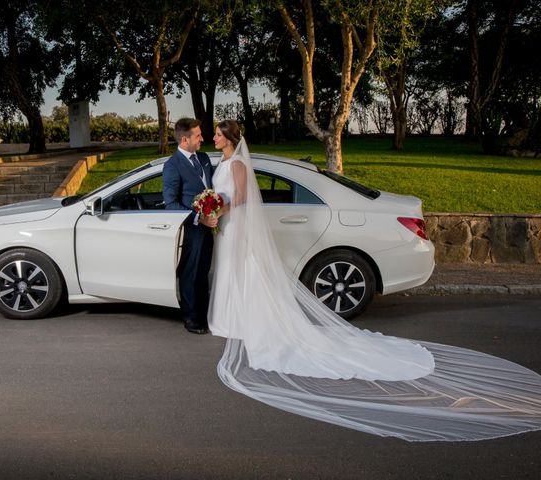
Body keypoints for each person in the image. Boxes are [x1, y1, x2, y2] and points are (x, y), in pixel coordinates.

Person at [205, 119, 541, 441]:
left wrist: (218, 207)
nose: (215, 138)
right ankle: (232, 316)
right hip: (229, 229)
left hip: (235, 226)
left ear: (230, 138)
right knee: (235, 273)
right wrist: (215, 206)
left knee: (244, 273)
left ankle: (242, 318)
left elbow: (243, 197)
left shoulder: (237, 165)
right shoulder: (224, 161)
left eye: (219, 135)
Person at [163, 118, 217, 334]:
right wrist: (198, 218)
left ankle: (203, 314)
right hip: (191, 229)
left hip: (209, 226)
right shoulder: (172, 165)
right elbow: (171, 203)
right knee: (190, 273)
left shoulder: (203, 158)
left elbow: (210, 188)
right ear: (185, 140)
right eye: (198, 135)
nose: (202, 138)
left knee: (203, 272)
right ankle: (191, 318)